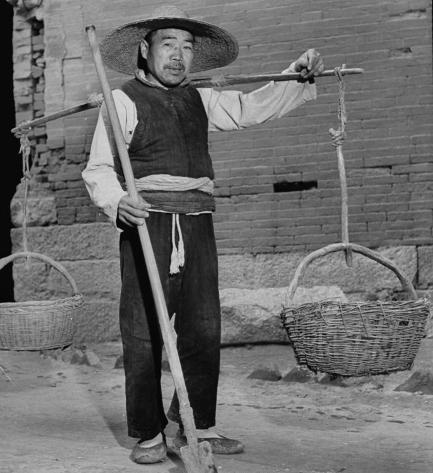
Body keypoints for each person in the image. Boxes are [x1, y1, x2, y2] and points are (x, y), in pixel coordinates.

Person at [83, 4, 324, 465]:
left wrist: (297, 75)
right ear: (145, 49)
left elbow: (251, 108)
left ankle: (198, 427)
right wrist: (118, 203)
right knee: (144, 331)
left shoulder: (201, 99)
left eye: (187, 46)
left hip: (198, 224)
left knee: (203, 326)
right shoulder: (122, 100)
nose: (178, 55)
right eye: (168, 44)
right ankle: (150, 432)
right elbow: (97, 168)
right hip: (146, 222)